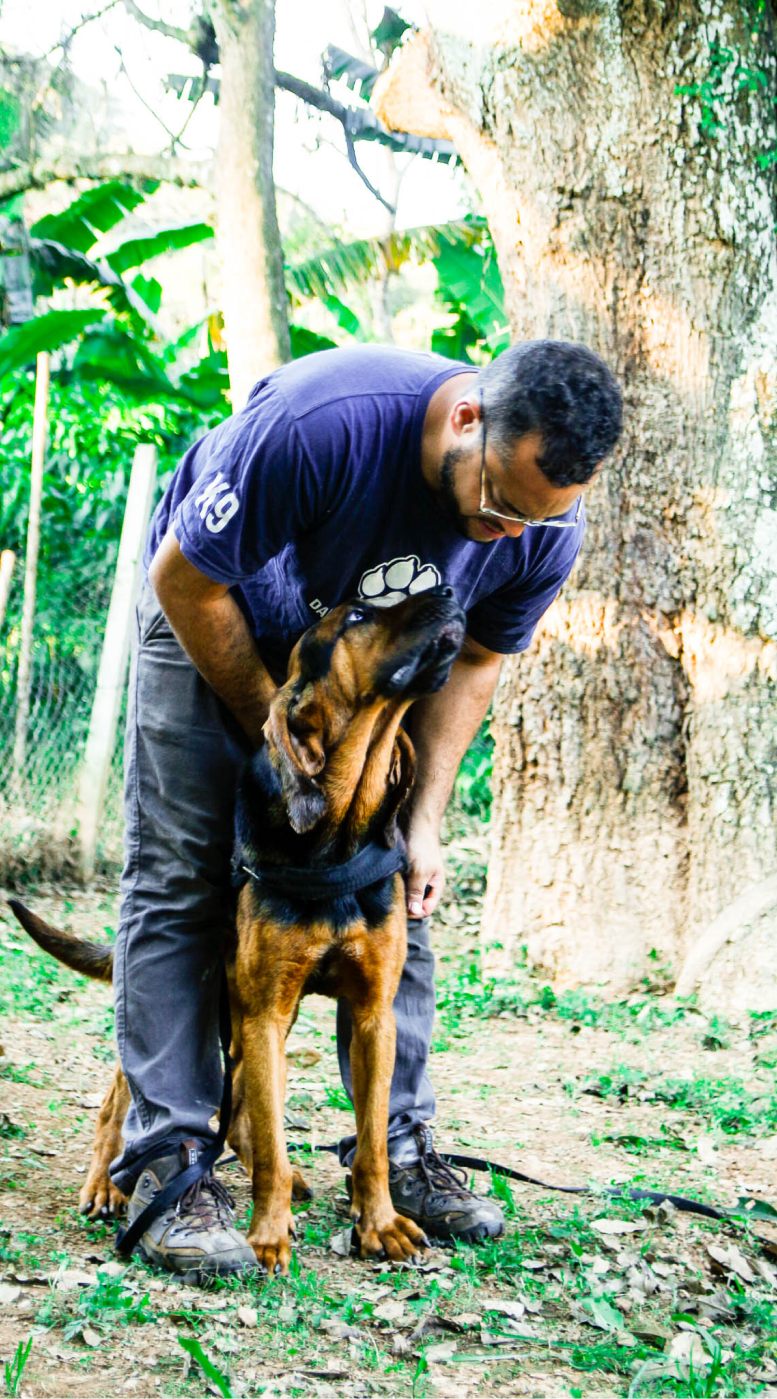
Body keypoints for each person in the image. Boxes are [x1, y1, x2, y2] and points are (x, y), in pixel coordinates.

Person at [110, 340, 623, 1277]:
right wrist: (285, 741)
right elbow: (185, 578)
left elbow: (478, 661)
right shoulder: (319, 425)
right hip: (212, 607)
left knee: (393, 883)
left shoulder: (543, 519)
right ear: (466, 418)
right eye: (498, 505)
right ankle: (171, 1159)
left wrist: (421, 821)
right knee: (183, 876)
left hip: (375, 663)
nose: (505, 535)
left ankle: (399, 1153)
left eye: (534, 520)